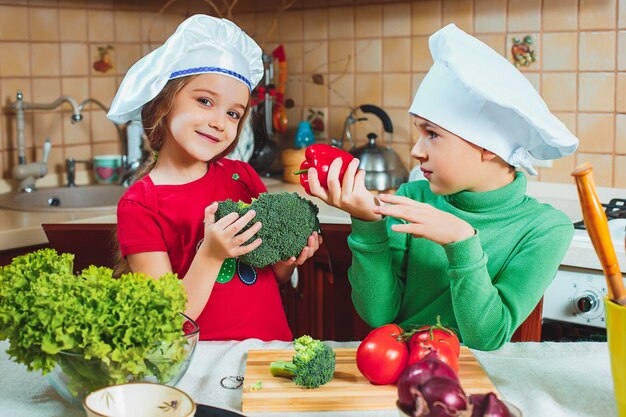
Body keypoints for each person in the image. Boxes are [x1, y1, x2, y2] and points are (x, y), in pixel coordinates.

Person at [307, 24, 578, 351]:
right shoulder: (411, 199)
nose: (416, 150)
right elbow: (378, 316)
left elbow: (487, 337)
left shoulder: (546, 229)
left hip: (477, 388)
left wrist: (462, 242)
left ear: (487, 146)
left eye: (432, 134)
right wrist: (368, 223)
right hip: (397, 372)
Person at [107, 15, 321, 341]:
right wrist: (210, 254)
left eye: (233, 113)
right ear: (164, 101)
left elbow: (272, 273)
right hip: (200, 363)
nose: (220, 122)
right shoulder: (140, 204)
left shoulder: (243, 177)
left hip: (270, 351)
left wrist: (291, 257)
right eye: (205, 101)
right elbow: (169, 319)